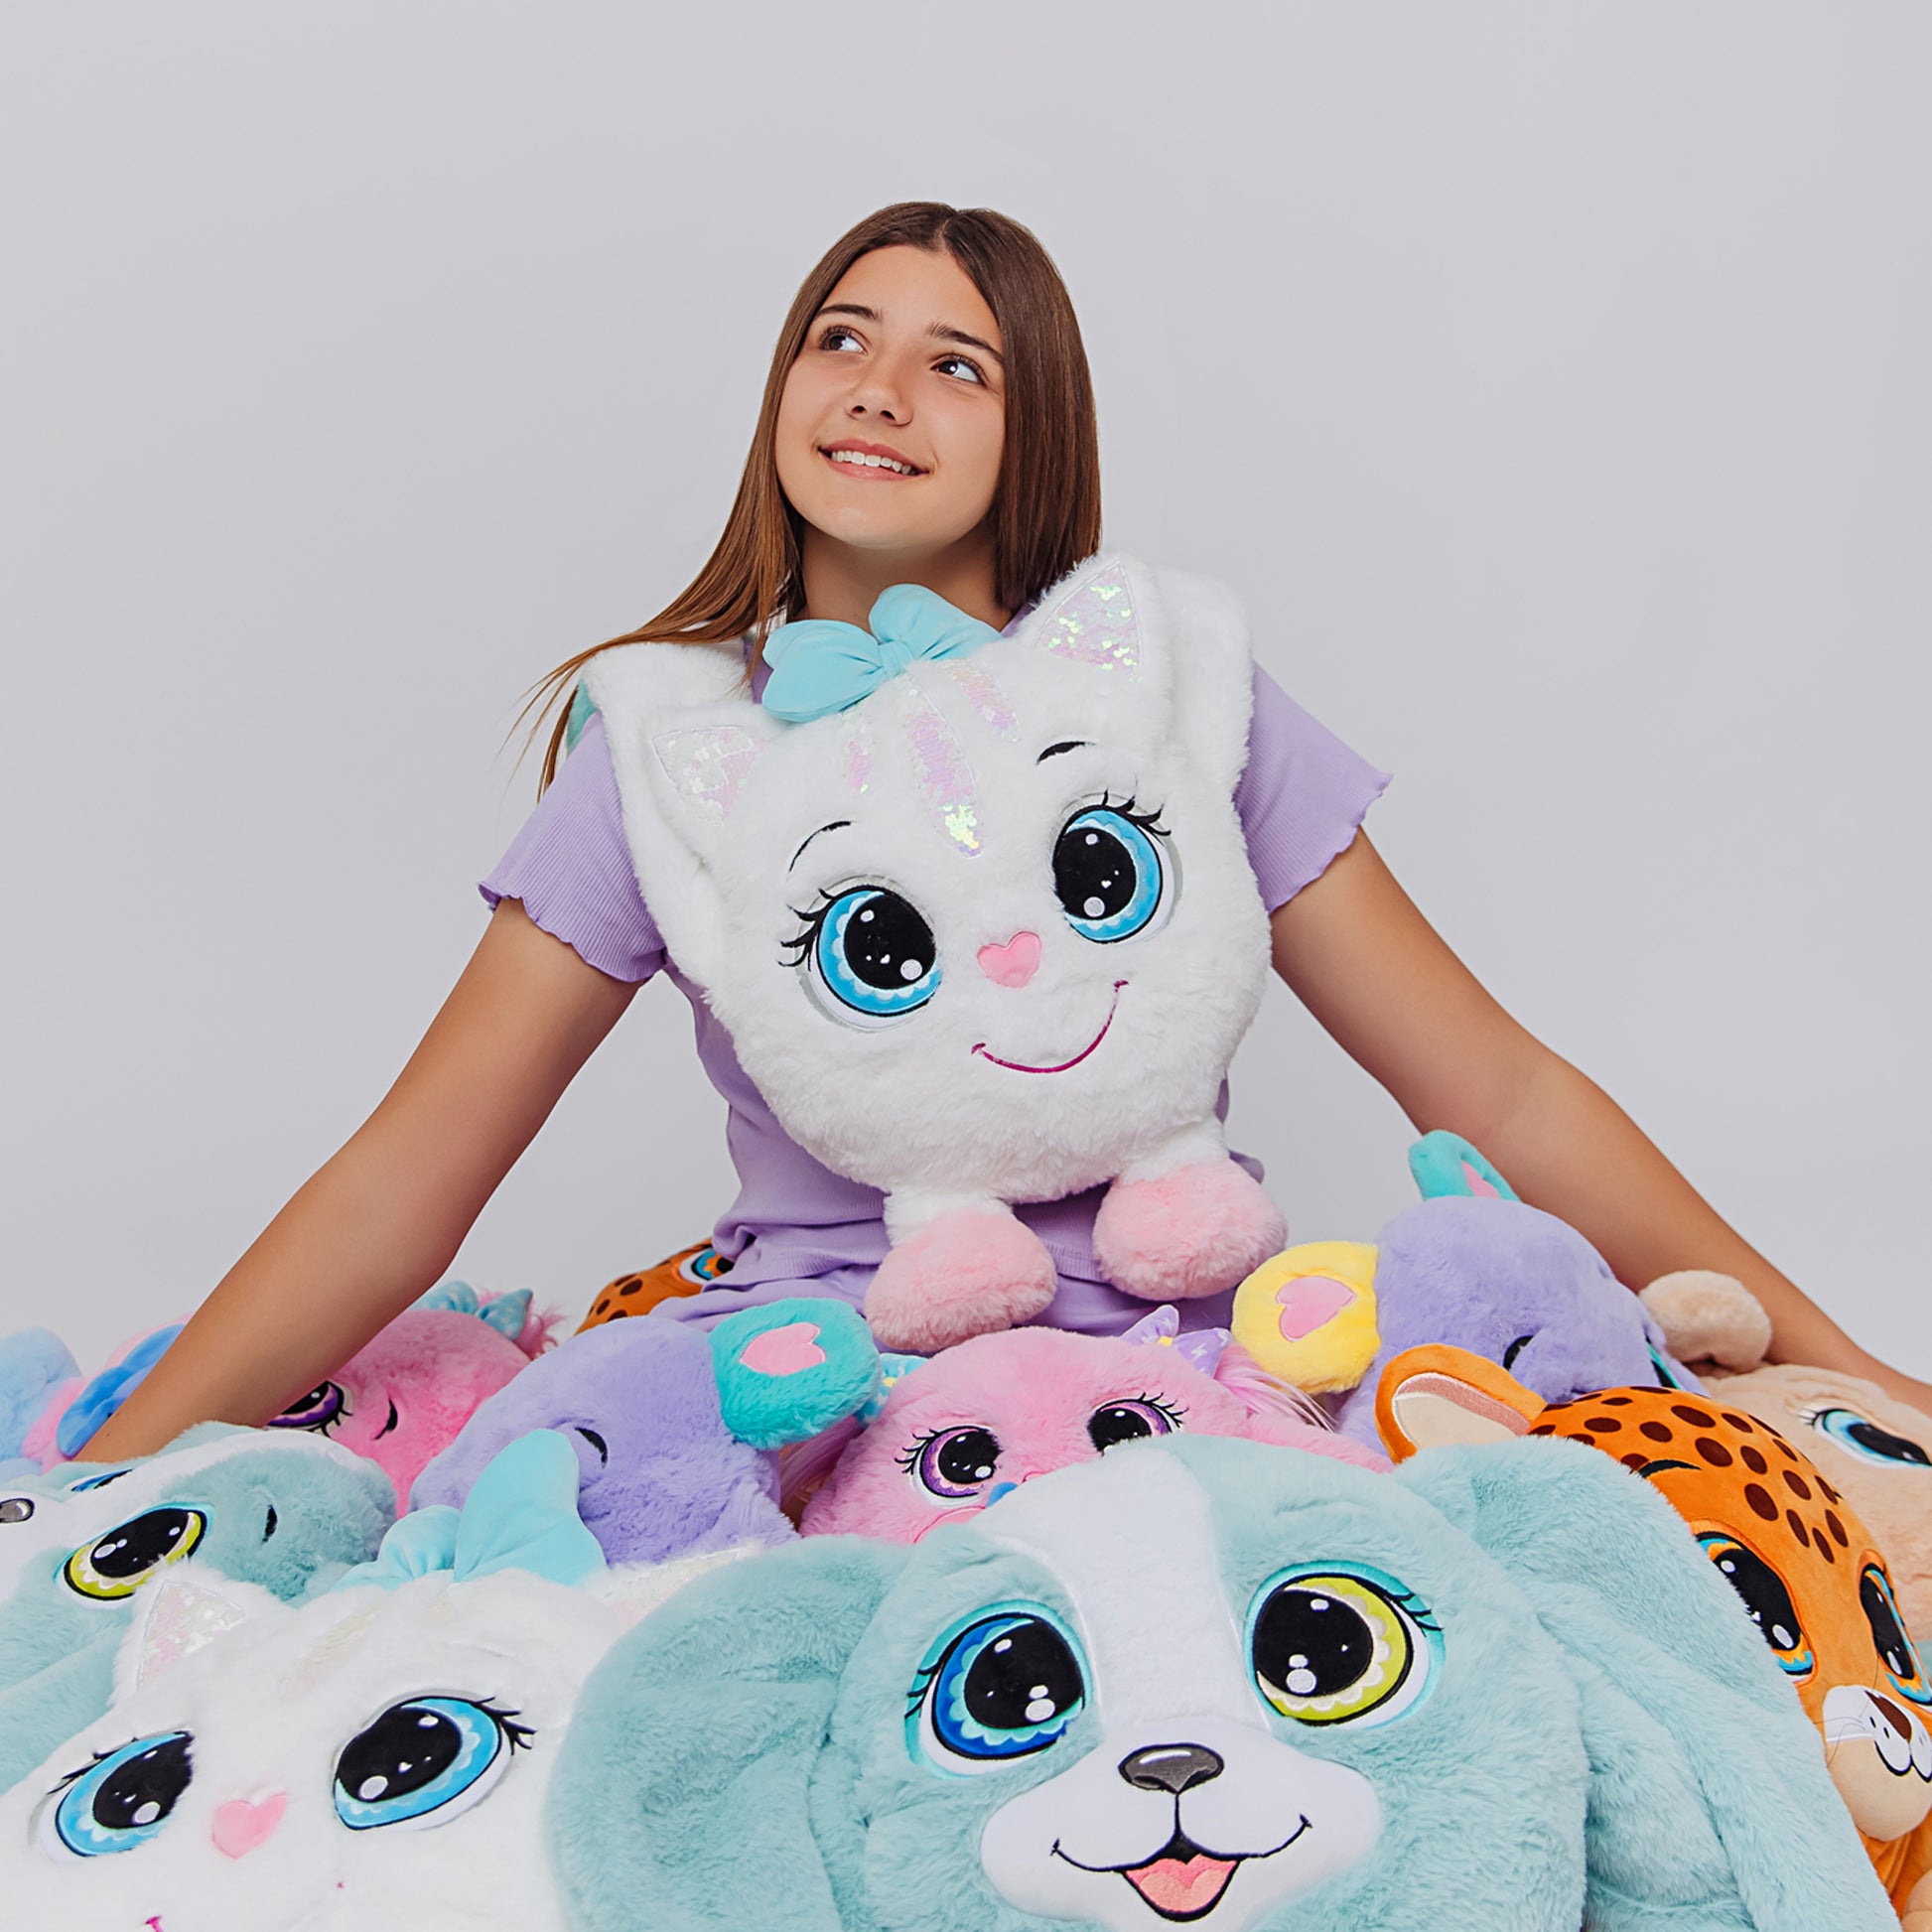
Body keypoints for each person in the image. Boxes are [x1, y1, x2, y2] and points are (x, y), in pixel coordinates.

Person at [82, 202, 1932, 1460]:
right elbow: (411, 1171)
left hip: (1182, 1360)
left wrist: (1854, 1370)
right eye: (840, 339)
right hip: (842, 1381)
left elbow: (1503, 1095)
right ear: (784, 392)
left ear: (1031, 426)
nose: (878, 388)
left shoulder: (1165, 700)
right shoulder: (669, 743)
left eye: (956, 362)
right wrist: (106, 1466)